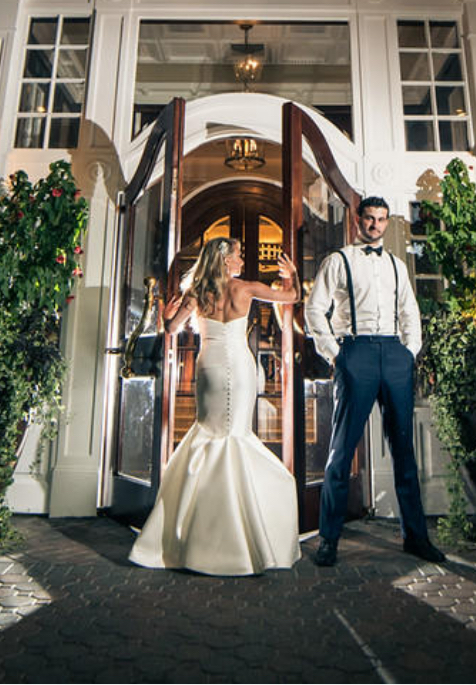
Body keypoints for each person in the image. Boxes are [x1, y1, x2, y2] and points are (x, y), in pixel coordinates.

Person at [128, 237, 301, 576]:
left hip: (208, 367)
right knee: (235, 434)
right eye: (237, 256)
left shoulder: (197, 293)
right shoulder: (246, 288)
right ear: (225, 260)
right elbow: (291, 298)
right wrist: (291, 276)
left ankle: (193, 532)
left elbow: (172, 328)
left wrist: (167, 315)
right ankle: (239, 533)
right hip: (239, 367)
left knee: (209, 433)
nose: (241, 260)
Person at [304, 196, 446, 567]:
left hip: (394, 355)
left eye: (381, 220)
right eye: (369, 219)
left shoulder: (398, 265)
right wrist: (335, 354)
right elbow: (314, 308)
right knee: (341, 451)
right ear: (357, 220)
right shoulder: (339, 261)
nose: (375, 226)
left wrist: (409, 352)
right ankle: (329, 539)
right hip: (356, 353)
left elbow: (409, 312)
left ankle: (415, 537)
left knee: (404, 451)